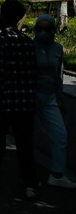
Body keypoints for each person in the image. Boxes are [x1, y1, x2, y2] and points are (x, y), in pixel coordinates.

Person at [0, 0, 39, 198]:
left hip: (4, 102)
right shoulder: (27, 42)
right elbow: (33, 73)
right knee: (25, 145)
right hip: (25, 102)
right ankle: (30, 183)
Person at [32, 15, 76, 188]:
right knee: (29, 137)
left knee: (60, 136)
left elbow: (59, 75)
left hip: (50, 97)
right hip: (31, 97)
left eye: (47, 29)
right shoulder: (29, 47)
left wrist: (60, 97)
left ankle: (57, 174)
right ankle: (29, 176)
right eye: (39, 29)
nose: (43, 33)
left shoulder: (57, 48)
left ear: (54, 30)